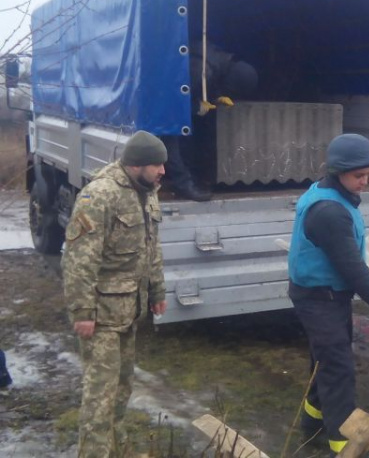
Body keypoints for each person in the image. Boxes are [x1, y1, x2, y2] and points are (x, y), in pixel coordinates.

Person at [287, 133, 369, 456]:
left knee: (324, 361)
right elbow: (352, 266)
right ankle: (343, 445)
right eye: (358, 176)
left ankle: (312, 425)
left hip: (325, 295)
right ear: (338, 171)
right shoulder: (329, 212)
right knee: (339, 369)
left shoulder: (330, 192)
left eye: (368, 174)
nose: (365, 181)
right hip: (318, 297)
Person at [62, 130, 168, 458]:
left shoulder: (148, 191)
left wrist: (157, 289)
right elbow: (80, 258)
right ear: (136, 165)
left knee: (122, 389)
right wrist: (82, 312)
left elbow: (151, 247)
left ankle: (115, 450)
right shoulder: (100, 195)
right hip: (101, 316)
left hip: (129, 310)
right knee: (100, 395)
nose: (163, 171)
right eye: (156, 165)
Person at [162, 40, 259, 202]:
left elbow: (207, 85)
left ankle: (191, 177)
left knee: (190, 135)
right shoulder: (201, 70)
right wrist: (196, 106)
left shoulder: (220, 59)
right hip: (164, 103)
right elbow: (171, 104)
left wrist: (214, 97)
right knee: (172, 137)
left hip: (174, 95)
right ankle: (182, 185)